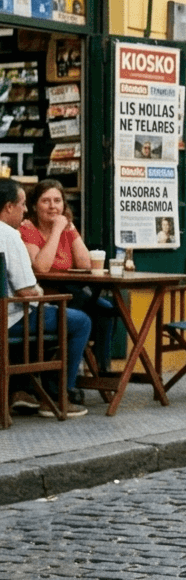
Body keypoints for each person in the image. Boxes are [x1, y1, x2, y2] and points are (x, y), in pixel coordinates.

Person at [0, 178, 91, 417]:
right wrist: (41, 294)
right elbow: (26, 290)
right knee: (81, 320)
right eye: (22, 204)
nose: (25, 210)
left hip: (9, 314)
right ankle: (57, 395)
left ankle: (24, 389)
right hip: (10, 318)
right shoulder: (10, 236)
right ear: (9, 207)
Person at [20, 178, 113, 404]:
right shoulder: (28, 229)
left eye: (58, 201)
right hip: (44, 294)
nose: (53, 206)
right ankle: (62, 383)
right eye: (46, 201)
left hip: (69, 292)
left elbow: (86, 264)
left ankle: (100, 370)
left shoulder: (66, 227)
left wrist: (70, 231)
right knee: (84, 314)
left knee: (106, 310)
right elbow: (40, 266)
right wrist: (56, 230)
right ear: (34, 206)